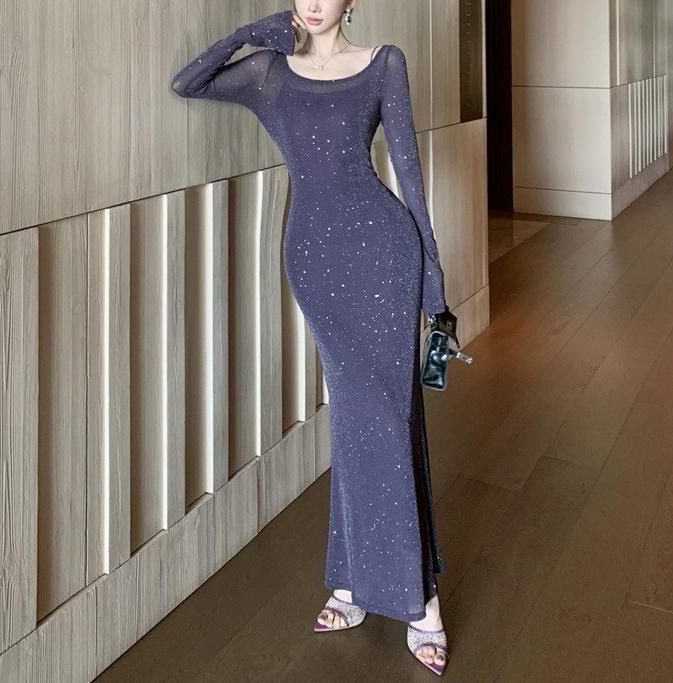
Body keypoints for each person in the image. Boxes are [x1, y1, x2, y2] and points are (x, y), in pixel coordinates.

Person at [171, 0, 450, 675]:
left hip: (385, 255)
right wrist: (250, 33)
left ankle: (414, 598)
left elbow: (408, 170)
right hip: (316, 261)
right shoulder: (268, 73)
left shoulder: (383, 63)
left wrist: (433, 276)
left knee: (387, 418)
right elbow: (188, 82)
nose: (314, 2)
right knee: (357, 419)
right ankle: (356, 582)